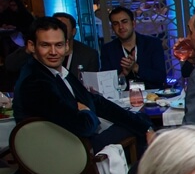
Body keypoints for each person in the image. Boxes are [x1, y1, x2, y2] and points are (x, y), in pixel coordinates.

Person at [13, 17, 154, 155]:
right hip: (62, 154)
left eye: (59, 45)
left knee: (141, 122)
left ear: (66, 46)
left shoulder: (56, 71)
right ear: (31, 46)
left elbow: (94, 101)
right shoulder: (34, 81)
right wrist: (87, 111)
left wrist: (144, 127)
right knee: (135, 129)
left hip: (73, 143)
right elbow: (83, 127)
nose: (53, 52)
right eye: (45, 45)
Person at [101, 7, 167, 89]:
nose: (121, 27)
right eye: (116, 24)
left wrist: (136, 68)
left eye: (124, 22)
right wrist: (123, 74)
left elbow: (160, 77)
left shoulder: (153, 44)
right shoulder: (107, 50)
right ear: (112, 28)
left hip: (152, 94)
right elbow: (106, 85)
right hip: (122, 95)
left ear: (133, 23)